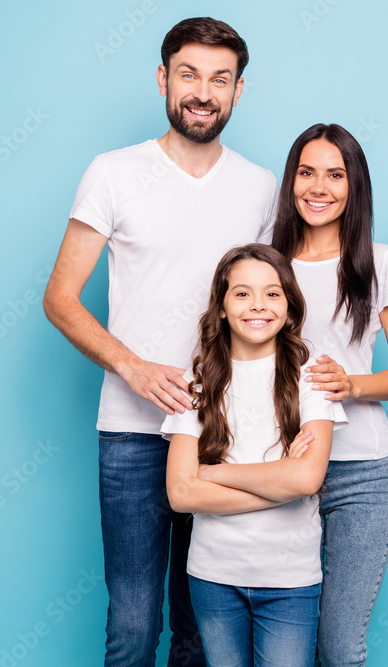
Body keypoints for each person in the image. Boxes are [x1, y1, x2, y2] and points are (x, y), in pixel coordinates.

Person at [42, 16, 388, 665]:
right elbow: (59, 297)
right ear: (163, 79)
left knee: (200, 621)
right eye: (188, 74)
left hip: (227, 427)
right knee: (134, 620)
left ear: (239, 90)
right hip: (137, 428)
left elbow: (295, 277)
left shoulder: (258, 189)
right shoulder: (113, 172)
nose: (202, 90)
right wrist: (136, 370)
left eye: (219, 78)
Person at [207, 123, 388, 665]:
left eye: (335, 174)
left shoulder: (382, 261)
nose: (319, 187)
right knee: (280, 641)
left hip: (359, 474)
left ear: (356, 187)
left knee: (338, 645)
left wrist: (351, 385)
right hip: (279, 468)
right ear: (291, 182)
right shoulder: (268, 262)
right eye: (306, 173)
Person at [162, 243, 346, 667]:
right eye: (242, 293)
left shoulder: (311, 375)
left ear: (289, 305)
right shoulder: (196, 382)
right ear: (222, 307)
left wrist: (210, 475)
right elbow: (180, 495)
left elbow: (306, 480)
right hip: (213, 576)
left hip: (290, 580)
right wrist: (280, 479)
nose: (258, 305)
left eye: (273, 293)